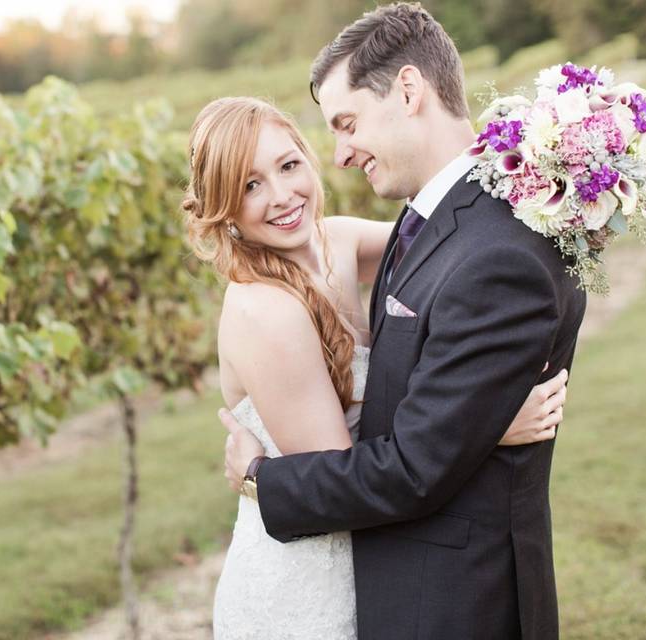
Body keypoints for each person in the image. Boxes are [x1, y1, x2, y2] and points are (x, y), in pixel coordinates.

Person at [217, 4, 587, 639]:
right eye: (249, 185)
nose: (339, 155)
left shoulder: (488, 246)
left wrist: (259, 479)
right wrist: (480, 422)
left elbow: (414, 468)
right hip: (349, 571)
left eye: (347, 123)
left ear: (409, 91)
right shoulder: (438, 221)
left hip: (448, 597)